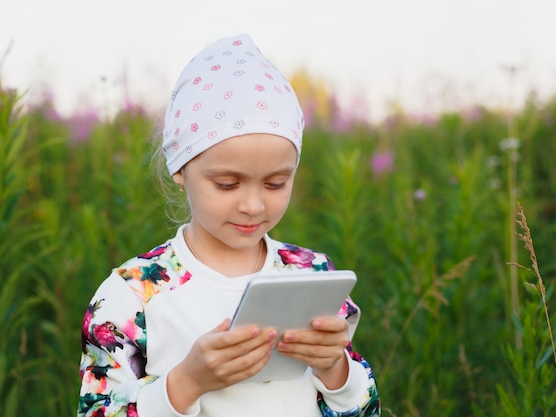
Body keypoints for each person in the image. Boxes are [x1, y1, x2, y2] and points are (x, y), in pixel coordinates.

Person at [78, 34, 381, 417]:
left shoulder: (310, 274)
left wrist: (335, 369)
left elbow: (364, 409)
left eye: (276, 183)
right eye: (227, 184)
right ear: (181, 169)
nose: (253, 205)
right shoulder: (132, 296)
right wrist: (187, 383)